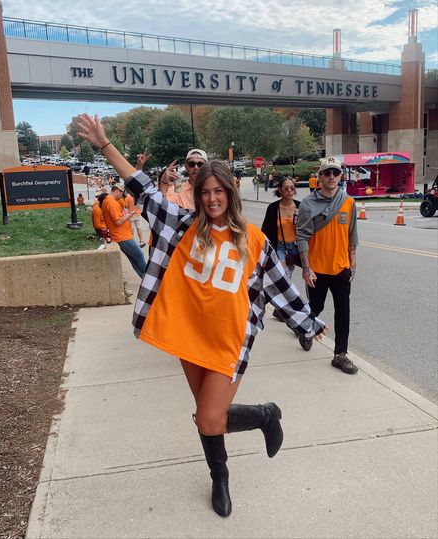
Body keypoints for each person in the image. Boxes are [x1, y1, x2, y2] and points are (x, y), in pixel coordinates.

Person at [77, 113, 328, 518]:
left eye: (219, 191)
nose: (212, 198)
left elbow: (280, 285)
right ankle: (220, 477)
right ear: (197, 193)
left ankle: (266, 416)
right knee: (206, 418)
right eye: (205, 191)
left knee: (211, 417)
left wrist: (307, 321)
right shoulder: (179, 225)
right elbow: (139, 187)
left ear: (230, 193)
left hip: (229, 340)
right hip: (188, 336)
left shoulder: (253, 240)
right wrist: (104, 145)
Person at [296, 156, 358, 374]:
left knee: (343, 311)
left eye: (335, 173)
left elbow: (352, 235)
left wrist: (353, 262)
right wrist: (306, 268)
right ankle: (305, 330)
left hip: (341, 268)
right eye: (327, 173)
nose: (331, 177)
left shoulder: (348, 202)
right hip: (317, 270)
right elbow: (302, 235)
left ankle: (340, 354)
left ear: (340, 176)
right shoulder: (307, 204)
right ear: (319, 176)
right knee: (315, 309)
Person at [261, 177, 302, 331]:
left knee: (305, 276)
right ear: (279, 189)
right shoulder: (273, 208)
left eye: (292, 188)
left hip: (297, 247)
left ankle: (280, 309)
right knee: (285, 278)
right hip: (280, 247)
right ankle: (291, 313)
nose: (289, 191)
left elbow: (308, 228)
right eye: (286, 188)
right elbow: (265, 230)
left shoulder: (300, 206)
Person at [101, 183, 147, 278]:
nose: (122, 195)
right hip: (123, 237)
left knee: (135, 260)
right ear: (117, 191)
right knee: (139, 256)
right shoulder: (111, 202)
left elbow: (117, 218)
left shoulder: (109, 201)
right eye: (122, 193)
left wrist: (125, 214)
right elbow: (118, 222)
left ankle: (145, 279)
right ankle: (149, 280)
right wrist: (129, 216)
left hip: (122, 236)